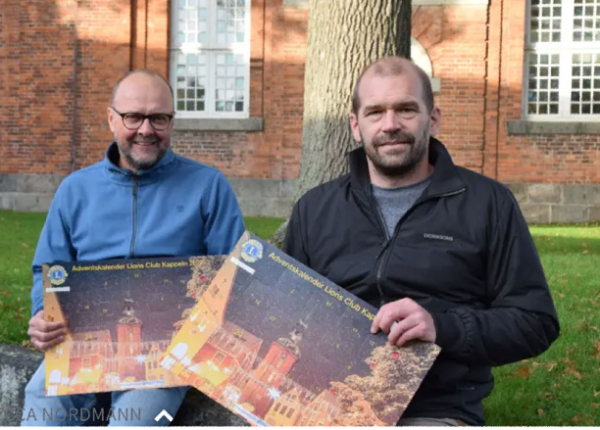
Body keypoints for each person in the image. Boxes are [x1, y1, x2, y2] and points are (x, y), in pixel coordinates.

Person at [283, 57, 559, 426]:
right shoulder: (315, 209)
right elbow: (288, 318)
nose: (391, 124)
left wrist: (441, 327)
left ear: (434, 118)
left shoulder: (486, 203)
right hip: (325, 404)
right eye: (375, 112)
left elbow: (535, 322)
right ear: (356, 126)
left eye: (406, 110)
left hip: (435, 409)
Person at [22, 69, 246, 426]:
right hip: (81, 339)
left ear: (172, 121)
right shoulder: (74, 190)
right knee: (41, 401)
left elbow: (234, 273)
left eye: (159, 118)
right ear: (111, 118)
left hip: (165, 350)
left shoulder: (208, 186)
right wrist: (41, 315)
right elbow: (47, 267)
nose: (146, 129)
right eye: (133, 117)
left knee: (136, 418)